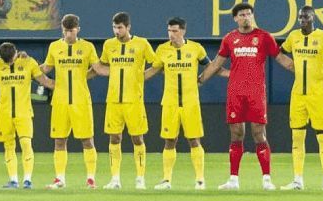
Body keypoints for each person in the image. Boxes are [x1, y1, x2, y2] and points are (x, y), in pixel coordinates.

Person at [200, 1, 279, 189]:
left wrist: (297, 69)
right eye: (242, 14)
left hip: (256, 93)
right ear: (235, 18)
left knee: (259, 134)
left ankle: (267, 179)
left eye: (249, 14)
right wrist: (199, 80)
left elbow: (280, 57)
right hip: (235, 92)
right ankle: (233, 180)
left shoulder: (264, 37)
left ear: (253, 16)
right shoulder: (229, 39)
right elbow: (216, 64)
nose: (246, 17)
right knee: (236, 134)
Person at [275, 5, 323, 190]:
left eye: (306, 17)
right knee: (297, 138)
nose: (303, 20)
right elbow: (279, 53)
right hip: (298, 94)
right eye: (301, 18)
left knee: (322, 137)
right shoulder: (293, 37)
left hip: (318, 94)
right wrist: (289, 65)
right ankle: (298, 180)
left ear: (313, 18)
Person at [145, 16, 208, 189]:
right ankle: (166, 180)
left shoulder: (196, 48)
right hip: (170, 102)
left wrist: (201, 79)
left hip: (190, 102)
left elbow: (209, 66)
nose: (171, 34)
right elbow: (154, 69)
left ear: (183, 31)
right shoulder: (162, 50)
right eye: (169, 31)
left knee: (194, 140)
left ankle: (200, 180)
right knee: (169, 140)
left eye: (175, 31)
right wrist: (136, 79)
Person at [38, 13, 100, 188]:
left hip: (81, 100)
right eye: (66, 31)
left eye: (71, 31)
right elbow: (46, 68)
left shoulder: (87, 47)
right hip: (60, 101)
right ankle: (60, 179)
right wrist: (29, 68)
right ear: (62, 30)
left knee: (87, 140)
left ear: (78, 30)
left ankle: (90, 178)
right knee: (59, 140)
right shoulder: (54, 47)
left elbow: (97, 68)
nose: (68, 35)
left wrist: (83, 76)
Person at [90, 11, 151, 189]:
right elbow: (101, 67)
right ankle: (115, 179)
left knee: (137, 139)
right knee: (114, 138)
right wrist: (84, 75)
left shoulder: (142, 44)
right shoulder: (109, 45)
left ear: (128, 27)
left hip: (134, 100)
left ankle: (140, 178)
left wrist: (141, 77)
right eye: (114, 27)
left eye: (120, 28)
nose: (117, 31)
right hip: (113, 100)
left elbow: (156, 64)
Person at [0, 42, 39, 188]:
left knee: (26, 144)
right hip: (4, 114)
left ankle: (27, 180)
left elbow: (42, 78)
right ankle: (14, 180)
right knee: (9, 146)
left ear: (16, 53)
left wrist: (57, 85)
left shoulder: (28, 62)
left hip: (23, 112)